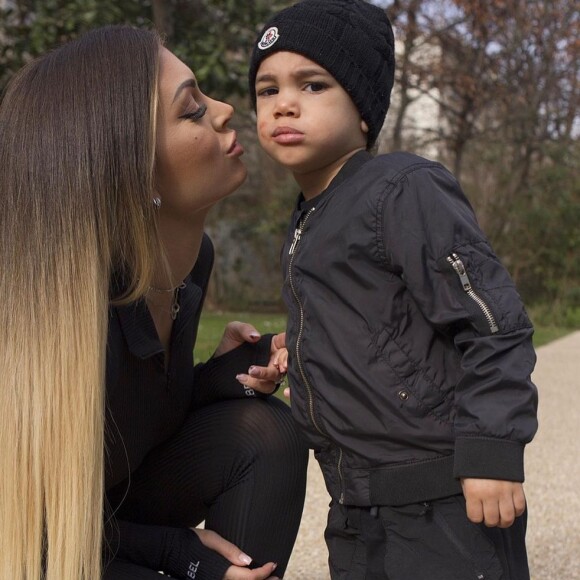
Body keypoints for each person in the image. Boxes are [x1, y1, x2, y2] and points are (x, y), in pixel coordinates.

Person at [0, 26, 308, 580]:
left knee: (262, 432)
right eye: (192, 111)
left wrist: (219, 377)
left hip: (107, 517)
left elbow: (131, 424)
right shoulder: (65, 321)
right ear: (131, 174)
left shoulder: (190, 267)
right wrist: (181, 557)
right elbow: (33, 539)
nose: (225, 110)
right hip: (35, 551)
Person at [248, 1, 539, 578]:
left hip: (443, 498)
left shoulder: (403, 189)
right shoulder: (311, 214)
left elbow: (494, 323)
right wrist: (299, 351)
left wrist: (491, 453)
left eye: (312, 84)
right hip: (356, 505)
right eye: (265, 88)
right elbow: (377, 321)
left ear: (362, 110)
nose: (283, 102)